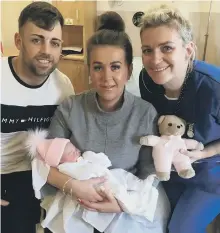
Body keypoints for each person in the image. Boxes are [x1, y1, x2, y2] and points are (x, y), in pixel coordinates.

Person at [42, 12, 170, 233]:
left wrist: (121, 203)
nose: (106, 77)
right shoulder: (70, 108)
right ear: (89, 71)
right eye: (98, 67)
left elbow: (149, 174)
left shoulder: (144, 113)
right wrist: (75, 187)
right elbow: (47, 163)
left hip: (124, 202)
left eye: (116, 66)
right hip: (77, 198)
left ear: (129, 70)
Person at [139, 5, 220, 233]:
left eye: (167, 48)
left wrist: (205, 153)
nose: (155, 59)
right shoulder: (147, 81)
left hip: (210, 175)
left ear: (188, 50)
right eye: (147, 50)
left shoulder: (214, 87)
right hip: (169, 170)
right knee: (146, 223)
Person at [1, 2, 74, 233]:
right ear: (18, 41)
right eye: (36, 40)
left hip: (43, 175)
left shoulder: (63, 87)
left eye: (55, 43)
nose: (46, 51)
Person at [25, 130, 159, 233]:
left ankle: (139, 188)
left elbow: (104, 161)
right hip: (96, 186)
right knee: (116, 191)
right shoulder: (65, 168)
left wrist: (92, 158)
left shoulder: (79, 159)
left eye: (74, 148)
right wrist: (74, 185)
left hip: (107, 175)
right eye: (71, 152)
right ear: (60, 160)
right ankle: (128, 204)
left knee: (122, 175)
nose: (77, 151)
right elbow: (44, 166)